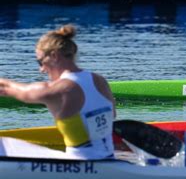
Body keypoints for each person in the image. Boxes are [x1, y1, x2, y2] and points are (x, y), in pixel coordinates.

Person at [0, 25, 116, 159]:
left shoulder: (58, 90)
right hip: (109, 158)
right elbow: (112, 114)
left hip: (81, 165)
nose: (41, 70)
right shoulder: (100, 80)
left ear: (54, 56)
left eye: (40, 62)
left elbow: (5, 88)